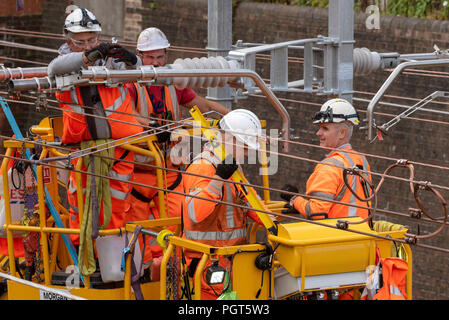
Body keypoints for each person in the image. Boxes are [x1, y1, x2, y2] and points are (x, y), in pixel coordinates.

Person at [124, 27, 230, 266]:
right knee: (138, 232)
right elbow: (124, 115)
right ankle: (143, 277)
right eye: (150, 57)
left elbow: (200, 103)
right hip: (139, 173)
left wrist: (229, 116)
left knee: (177, 225)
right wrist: (152, 126)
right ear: (139, 56)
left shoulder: (173, 83)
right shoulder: (129, 85)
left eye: (160, 57)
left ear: (166, 56)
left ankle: (171, 273)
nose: (156, 62)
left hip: (169, 172)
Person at [47, 7, 143, 262]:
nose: (88, 45)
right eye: (81, 42)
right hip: (85, 150)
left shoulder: (112, 64)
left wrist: (130, 57)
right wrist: (88, 56)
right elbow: (55, 67)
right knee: (82, 204)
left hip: (121, 149)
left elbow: (140, 69)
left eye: (92, 40)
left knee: (118, 205)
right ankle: (84, 257)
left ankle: (112, 263)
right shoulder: (63, 65)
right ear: (68, 41)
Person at [182, 108, 265, 300]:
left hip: (233, 261)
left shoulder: (232, 167)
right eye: (245, 147)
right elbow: (194, 213)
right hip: (207, 266)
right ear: (229, 139)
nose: (246, 154)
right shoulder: (202, 166)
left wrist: (274, 226)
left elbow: (249, 202)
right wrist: (218, 180)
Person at [283, 98, 372, 220]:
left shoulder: (330, 166)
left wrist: (294, 199)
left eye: (325, 128)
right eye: (319, 127)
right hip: (362, 233)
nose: (318, 133)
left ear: (342, 133)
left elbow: (316, 212)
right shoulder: (361, 160)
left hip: (336, 235)